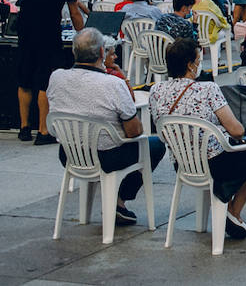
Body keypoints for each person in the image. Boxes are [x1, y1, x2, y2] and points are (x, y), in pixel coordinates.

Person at [150, 37, 246, 238]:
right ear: (189, 64)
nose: (199, 65)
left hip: (183, 163)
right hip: (214, 162)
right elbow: (237, 130)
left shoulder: (156, 90)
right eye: (197, 60)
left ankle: (226, 206)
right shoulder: (207, 89)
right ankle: (233, 211)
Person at [47, 28, 166, 225]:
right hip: (107, 156)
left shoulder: (56, 77)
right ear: (102, 53)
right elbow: (134, 131)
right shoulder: (112, 84)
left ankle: (115, 203)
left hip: (69, 153)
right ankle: (119, 201)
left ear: (74, 53)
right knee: (155, 145)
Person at [16, 0, 84, 144]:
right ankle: (43, 131)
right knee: (45, 80)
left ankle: (24, 128)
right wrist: (83, 32)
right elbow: (73, 11)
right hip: (47, 31)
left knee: (25, 79)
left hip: (24, 30)